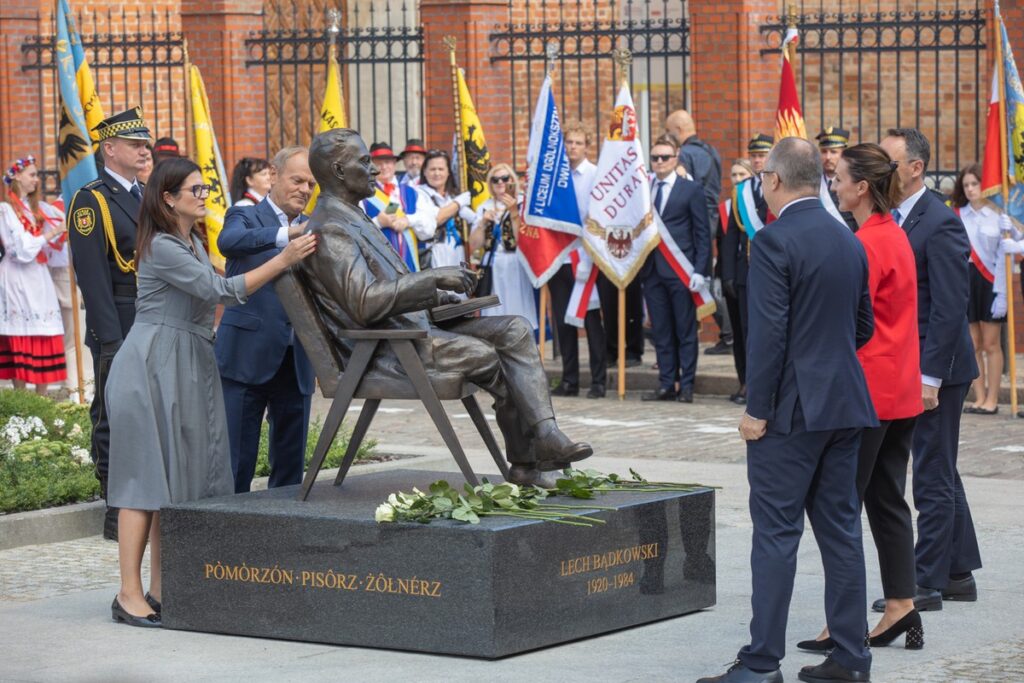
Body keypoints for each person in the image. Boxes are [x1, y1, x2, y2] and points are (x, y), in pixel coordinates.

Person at [297, 128, 593, 489]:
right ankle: (528, 461)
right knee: (491, 355)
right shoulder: (330, 228)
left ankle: (546, 434)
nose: (374, 170)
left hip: (415, 326)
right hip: (387, 347)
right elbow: (364, 303)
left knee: (514, 328)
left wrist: (440, 296)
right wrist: (431, 279)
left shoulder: (352, 217)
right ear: (340, 171)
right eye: (364, 162)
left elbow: (386, 288)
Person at [105, 157, 316, 628]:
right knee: (141, 482)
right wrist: (283, 259)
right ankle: (128, 593)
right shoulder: (162, 245)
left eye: (204, 189)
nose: (204, 196)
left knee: (174, 483)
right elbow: (219, 289)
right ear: (168, 197)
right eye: (195, 190)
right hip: (152, 362)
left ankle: (161, 587)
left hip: (184, 359)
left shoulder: (189, 240)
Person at [699, 137, 876, 683]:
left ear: (774, 181)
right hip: (845, 402)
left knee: (775, 535)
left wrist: (757, 408)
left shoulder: (774, 241)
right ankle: (851, 656)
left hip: (791, 411)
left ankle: (760, 663)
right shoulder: (848, 238)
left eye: (761, 180)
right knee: (842, 531)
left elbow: (769, 335)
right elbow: (864, 325)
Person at [799, 143, 924, 655]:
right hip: (900, 388)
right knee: (887, 500)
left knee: (839, 506)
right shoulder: (892, 234)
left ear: (862, 188)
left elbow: (854, 319)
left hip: (868, 392)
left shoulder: (868, 242)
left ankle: (844, 622)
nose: (833, 185)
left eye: (840, 178)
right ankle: (901, 606)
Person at [880, 128, 981, 612]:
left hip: (938, 368)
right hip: (912, 362)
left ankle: (925, 582)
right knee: (942, 468)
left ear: (916, 168)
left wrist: (930, 378)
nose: (881, 171)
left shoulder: (938, 221)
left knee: (932, 473)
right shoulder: (892, 218)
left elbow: (948, 307)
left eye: (890, 162)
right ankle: (958, 572)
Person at [67, 106, 151, 541]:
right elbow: (93, 275)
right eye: (135, 144)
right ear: (109, 148)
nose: (143, 150)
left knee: (145, 412)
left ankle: (142, 499)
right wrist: (109, 340)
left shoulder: (143, 195)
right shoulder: (91, 199)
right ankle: (115, 506)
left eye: (145, 144)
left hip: (150, 318)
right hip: (117, 320)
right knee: (113, 414)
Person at [215, 147, 318, 494]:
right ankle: (229, 539)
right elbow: (228, 242)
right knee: (237, 463)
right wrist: (285, 236)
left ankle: (285, 534)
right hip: (246, 356)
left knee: (290, 469)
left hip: (297, 359)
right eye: (298, 180)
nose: (305, 189)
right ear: (273, 175)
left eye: (311, 184)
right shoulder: (244, 215)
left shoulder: (316, 227)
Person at [640, 135, 710, 404]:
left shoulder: (690, 190)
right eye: (655, 157)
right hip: (652, 271)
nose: (659, 162)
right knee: (661, 332)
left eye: (664, 157)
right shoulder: (645, 188)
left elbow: (702, 233)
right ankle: (667, 383)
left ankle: (688, 385)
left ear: (676, 158)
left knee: (685, 331)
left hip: (682, 271)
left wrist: (700, 271)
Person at [547, 119, 607, 398]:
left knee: (592, 320)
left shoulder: (595, 175)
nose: (572, 147)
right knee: (563, 321)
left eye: (578, 143)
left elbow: (599, 218)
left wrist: (592, 254)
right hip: (560, 256)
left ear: (587, 146)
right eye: (569, 142)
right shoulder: (555, 179)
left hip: (586, 256)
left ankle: (598, 381)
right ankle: (569, 380)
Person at [0, 155, 68, 395]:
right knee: (22, 331)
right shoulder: (6, 210)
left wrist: (60, 232)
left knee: (45, 330)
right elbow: (18, 248)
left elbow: (52, 232)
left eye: (37, 175)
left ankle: (42, 400)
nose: (36, 179)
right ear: (16, 176)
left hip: (39, 276)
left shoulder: (36, 208)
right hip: (18, 277)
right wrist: (51, 235)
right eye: (31, 174)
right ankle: (21, 399)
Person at [720, 135, 774, 406]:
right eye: (753, 156)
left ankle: (762, 385)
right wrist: (727, 273)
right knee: (742, 333)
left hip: (771, 273)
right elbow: (730, 236)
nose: (756, 160)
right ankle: (745, 382)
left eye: (762, 155)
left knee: (762, 332)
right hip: (744, 272)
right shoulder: (742, 192)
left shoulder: (778, 187)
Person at [950, 164, 1005, 415]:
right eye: (967, 185)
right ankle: (979, 396)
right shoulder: (957, 214)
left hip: (991, 280)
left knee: (991, 343)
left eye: (975, 184)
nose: (971, 189)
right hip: (966, 279)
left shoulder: (999, 214)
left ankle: (993, 398)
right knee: (972, 343)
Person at [469, 164, 538, 328]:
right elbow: (474, 245)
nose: (500, 182)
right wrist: (483, 223)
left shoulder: (523, 203)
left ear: (512, 181)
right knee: (494, 313)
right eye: (495, 180)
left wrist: (514, 212)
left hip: (516, 264)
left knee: (518, 308)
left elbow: (524, 240)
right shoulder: (484, 206)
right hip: (492, 266)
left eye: (505, 178)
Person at [708, 158, 756, 359]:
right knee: (739, 330)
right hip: (735, 274)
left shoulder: (757, 202)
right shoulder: (726, 208)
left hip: (753, 272)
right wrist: (723, 275)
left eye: (742, 174)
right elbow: (722, 243)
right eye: (734, 175)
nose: (737, 179)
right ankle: (743, 380)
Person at [361, 141, 435, 272]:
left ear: (395, 164)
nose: (383, 167)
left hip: (410, 267)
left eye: (388, 162)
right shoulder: (363, 196)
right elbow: (356, 232)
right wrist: (378, 222)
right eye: (378, 162)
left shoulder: (413, 193)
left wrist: (409, 220)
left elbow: (429, 229)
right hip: (379, 271)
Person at [415, 149, 474, 269]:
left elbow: (475, 221)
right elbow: (435, 219)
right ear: (424, 172)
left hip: (458, 256)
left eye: (441, 169)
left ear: (448, 172)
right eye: (432, 169)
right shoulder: (418, 193)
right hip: (434, 256)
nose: (437, 173)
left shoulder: (453, 195)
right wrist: (458, 203)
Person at [816, 126, 859, 231]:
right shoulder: (812, 182)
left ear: (843, 153)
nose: (828, 157)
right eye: (824, 151)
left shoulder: (854, 181)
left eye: (833, 152)